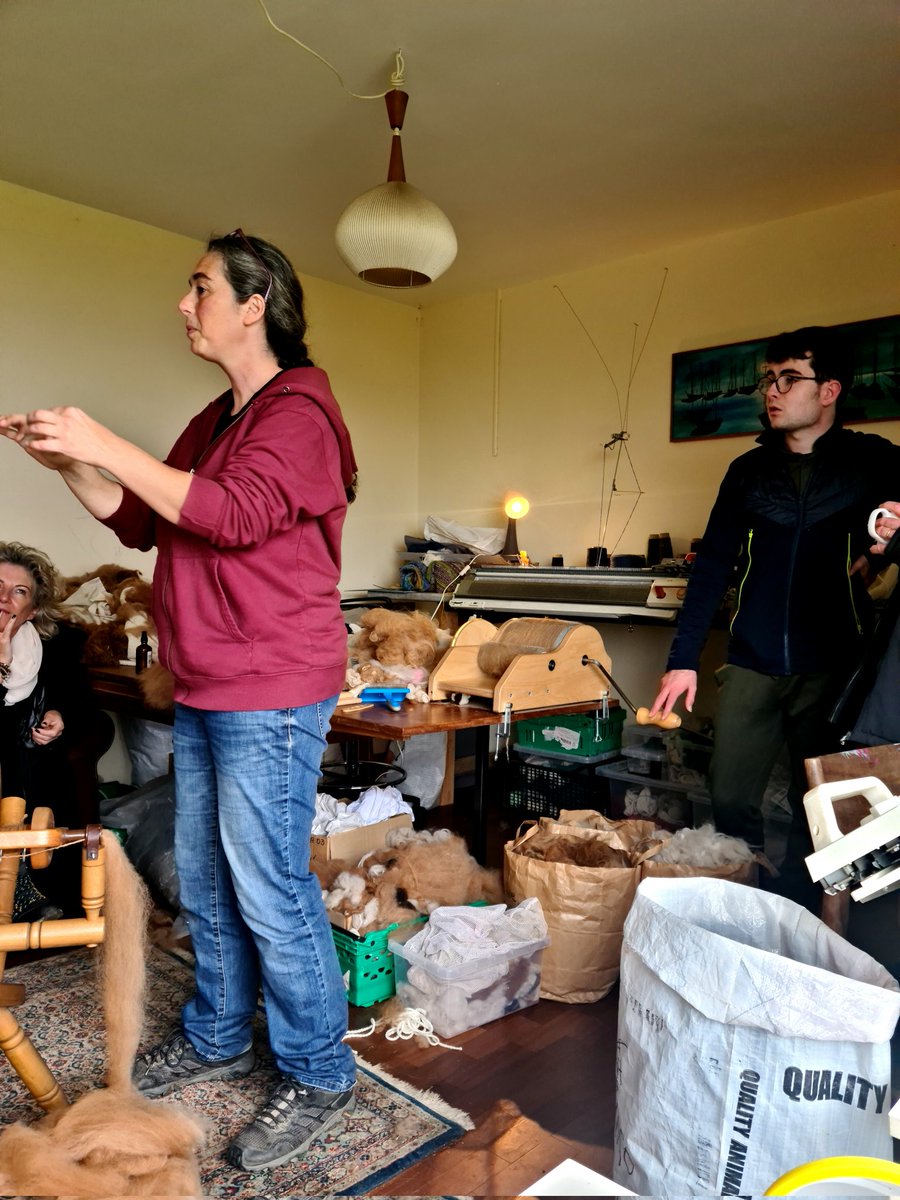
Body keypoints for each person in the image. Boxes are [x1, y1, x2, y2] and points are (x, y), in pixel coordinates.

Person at [0, 230, 359, 1172]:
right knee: (203, 873)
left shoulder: (301, 413)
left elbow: (230, 515)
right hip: (206, 680)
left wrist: (101, 440)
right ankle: (217, 1032)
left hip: (271, 685)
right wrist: (67, 463)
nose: (184, 303)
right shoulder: (219, 417)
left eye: (201, 287)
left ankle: (321, 1071)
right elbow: (142, 517)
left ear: (255, 304)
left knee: (269, 885)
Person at [649, 326, 900, 907]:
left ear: (829, 390)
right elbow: (712, 568)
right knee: (729, 796)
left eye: (790, 379)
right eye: (770, 379)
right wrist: (682, 661)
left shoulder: (872, 460)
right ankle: (748, 899)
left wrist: (886, 538)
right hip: (751, 659)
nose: (773, 391)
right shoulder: (747, 471)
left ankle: (802, 911)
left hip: (835, 665)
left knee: (824, 807)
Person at [0, 540, 112, 920]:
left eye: (19, 591)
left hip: (34, 777)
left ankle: (37, 893)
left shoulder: (54, 646)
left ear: (32, 610)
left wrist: (60, 715)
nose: (5, 599)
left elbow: (85, 706)